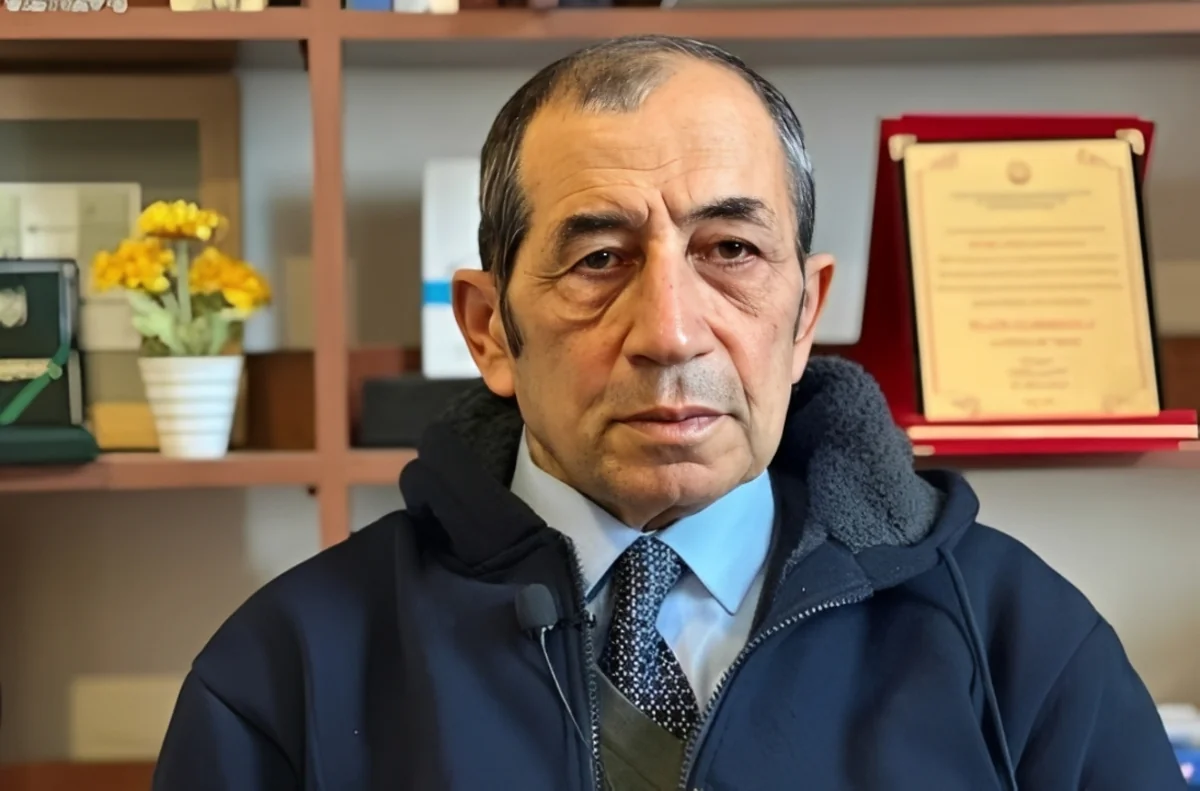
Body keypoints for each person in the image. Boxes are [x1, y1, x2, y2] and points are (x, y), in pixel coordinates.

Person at [153, 35, 1185, 791]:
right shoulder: (290, 668)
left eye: (730, 251)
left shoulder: (1021, 647)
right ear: (490, 329)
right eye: (600, 259)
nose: (672, 331)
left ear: (805, 315)